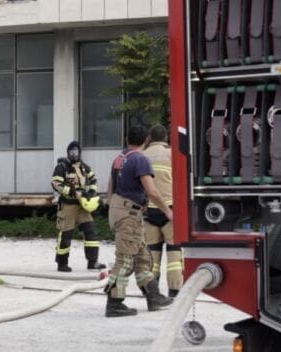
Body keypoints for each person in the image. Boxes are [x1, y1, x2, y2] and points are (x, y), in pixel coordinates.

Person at [103, 126, 174, 317]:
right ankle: (114, 303)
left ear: (127, 139)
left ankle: (154, 296)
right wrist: (167, 211)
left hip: (120, 209)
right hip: (129, 213)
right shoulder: (140, 159)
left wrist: (113, 209)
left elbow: (111, 187)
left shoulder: (120, 158)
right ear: (147, 140)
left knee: (143, 256)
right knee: (125, 259)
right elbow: (151, 191)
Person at [141, 124, 184, 298]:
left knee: (152, 253)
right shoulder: (172, 154)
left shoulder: (141, 156)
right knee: (174, 254)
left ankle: (152, 291)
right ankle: (174, 291)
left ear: (149, 138)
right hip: (170, 211)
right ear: (166, 138)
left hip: (148, 212)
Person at [50, 140, 104, 272]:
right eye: (71, 152)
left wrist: (91, 192)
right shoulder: (62, 167)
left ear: (80, 152)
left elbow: (94, 180)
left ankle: (93, 262)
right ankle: (62, 264)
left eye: (76, 151)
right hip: (68, 206)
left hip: (82, 206)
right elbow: (55, 183)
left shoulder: (84, 167)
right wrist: (71, 191)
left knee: (91, 231)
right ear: (68, 153)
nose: (74, 154)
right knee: (66, 235)